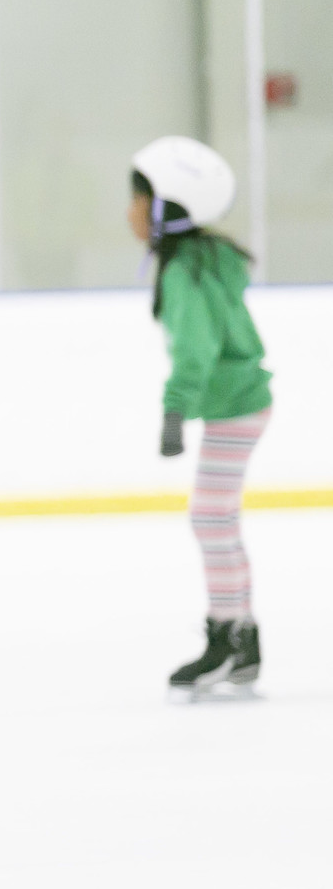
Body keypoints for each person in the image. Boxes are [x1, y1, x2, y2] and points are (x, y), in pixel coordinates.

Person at [128, 136, 271, 699]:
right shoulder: (202, 258)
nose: (130, 212)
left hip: (233, 407)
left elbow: (197, 349)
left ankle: (230, 638)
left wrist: (174, 409)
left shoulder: (186, 271)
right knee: (217, 520)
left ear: (167, 209)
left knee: (212, 521)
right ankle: (242, 640)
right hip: (241, 401)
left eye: (138, 199)